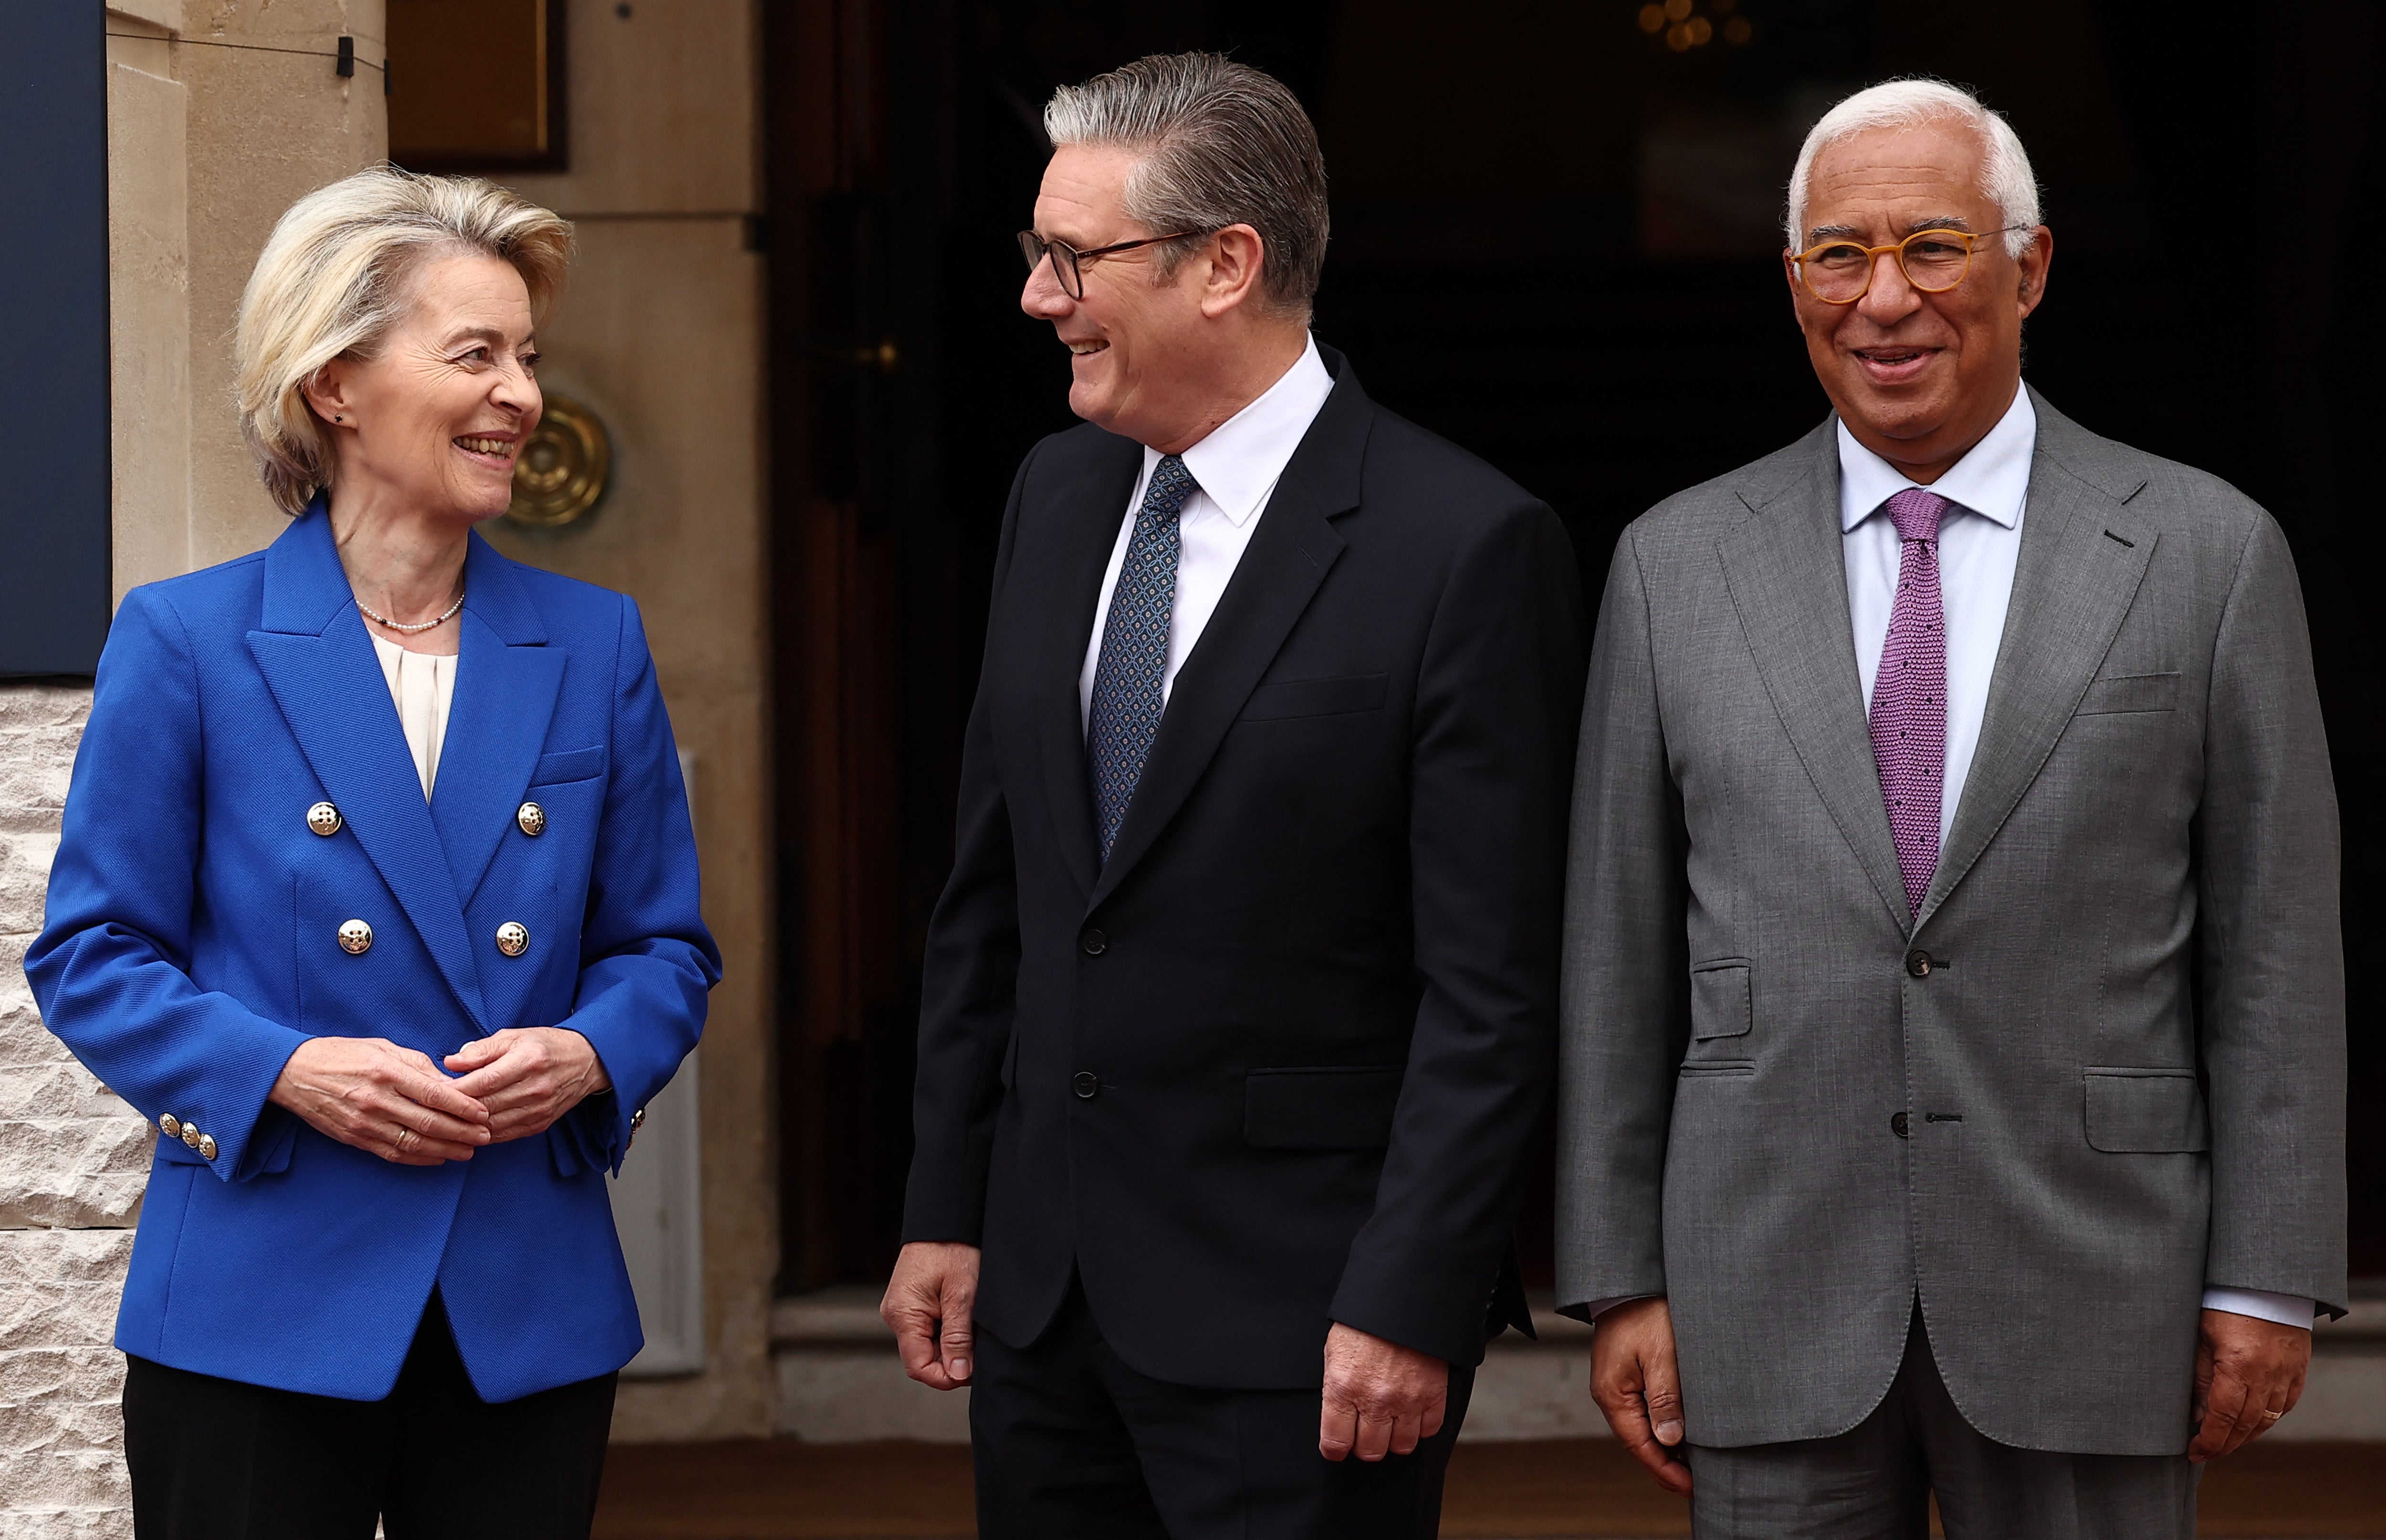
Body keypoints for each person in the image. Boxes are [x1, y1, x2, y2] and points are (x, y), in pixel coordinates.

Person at [1556, 78, 2344, 1539]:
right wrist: (1620, 1276)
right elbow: (1618, 955)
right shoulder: (1674, 565)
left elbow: (2276, 949)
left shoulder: (2208, 552)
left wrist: (2265, 1273)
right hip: (1765, 1280)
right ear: (1793, 281)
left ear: (2029, 269)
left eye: (1932, 246)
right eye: (1839, 256)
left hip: (2096, 1285)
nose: (1884, 299)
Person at [879, 52, 1585, 1539]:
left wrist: (1410, 1295)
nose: (1039, 296)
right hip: (1042, 1310)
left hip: (1308, 1323)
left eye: (1075, 257)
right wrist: (947, 1200)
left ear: (1226, 265)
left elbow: (1492, 989)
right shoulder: (1053, 496)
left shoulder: (1463, 546)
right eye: (1037, 252)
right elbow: (994, 895)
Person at [27, 167, 720, 1539]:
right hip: (259, 1294)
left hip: (521, 1294)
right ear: (335, 383)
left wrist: (589, 1052)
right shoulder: (187, 638)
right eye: (476, 354)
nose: (520, 394)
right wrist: (286, 1070)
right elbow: (92, 956)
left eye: (528, 356)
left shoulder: (595, 642)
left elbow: (663, 948)